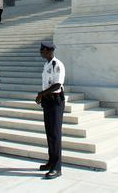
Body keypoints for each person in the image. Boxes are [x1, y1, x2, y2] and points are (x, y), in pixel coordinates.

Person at [36, 41, 65, 179]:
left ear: (48, 51)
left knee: (55, 134)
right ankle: (51, 161)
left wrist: (41, 94)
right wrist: (42, 95)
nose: (40, 52)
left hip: (55, 100)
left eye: (42, 50)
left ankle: (57, 167)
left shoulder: (56, 64)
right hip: (48, 100)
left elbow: (58, 84)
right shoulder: (46, 64)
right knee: (49, 133)